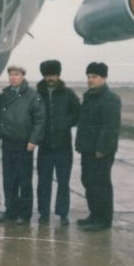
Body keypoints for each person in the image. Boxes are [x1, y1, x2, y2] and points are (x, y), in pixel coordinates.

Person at [75, 62, 121, 232]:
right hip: (88, 149)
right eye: (88, 76)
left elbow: (110, 127)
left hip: (101, 151)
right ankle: (94, 215)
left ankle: (103, 220)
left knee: (100, 185)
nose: (90, 80)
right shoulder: (90, 96)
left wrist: (102, 149)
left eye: (94, 76)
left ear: (104, 78)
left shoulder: (110, 98)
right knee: (88, 182)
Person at [0, 65, 45, 225]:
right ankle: (10, 210)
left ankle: (25, 214)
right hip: (8, 143)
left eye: (17, 74)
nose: (13, 77)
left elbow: (40, 119)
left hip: (24, 144)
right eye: (11, 74)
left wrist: (33, 140)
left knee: (24, 180)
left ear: (23, 76)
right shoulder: (5, 95)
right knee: (9, 180)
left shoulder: (32, 96)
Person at [36, 60, 80, 226]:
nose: (51, 78)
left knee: (63, 182)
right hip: (45, 147)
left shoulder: (68, 93)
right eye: (48, 75)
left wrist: (64, 123)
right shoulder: (38, 94)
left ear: (58, 75)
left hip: (63, 147)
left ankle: (63, 214)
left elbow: (77, 113)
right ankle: (43, 213)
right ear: (44, 75)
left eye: (54, 74)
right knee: (43, 182)